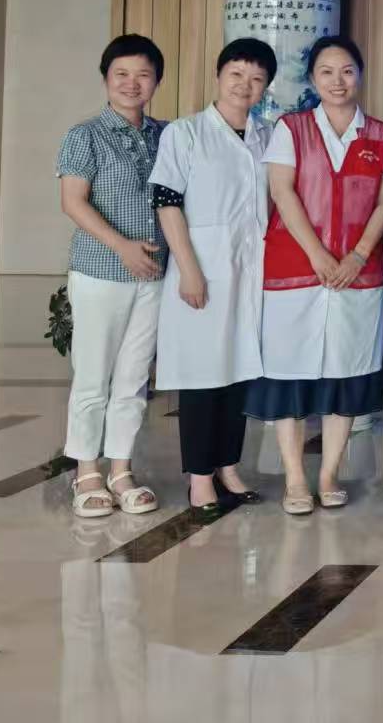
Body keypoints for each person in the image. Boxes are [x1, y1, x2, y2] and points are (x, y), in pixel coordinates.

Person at [247, 35, 383, 515]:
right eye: (327, 71)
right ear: (313, 78)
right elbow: (282, 192)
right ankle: (295, 477)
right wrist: (317, 255)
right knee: (289, 374)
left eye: (347, 71)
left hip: (357, 274)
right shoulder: (291, 129)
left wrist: (357, 256)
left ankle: (329, 473)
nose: (338, 81)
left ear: (360, 76)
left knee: (344, 374)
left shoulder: (382, 136)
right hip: (295, 271)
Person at [150, 38, 277, 515]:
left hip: (250, 271)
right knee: (203, 375)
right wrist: (189, 269)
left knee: (239, 371)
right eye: (237, 74)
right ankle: (200, 477)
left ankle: (228, 466)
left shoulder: (267, 135)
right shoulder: (185, 133)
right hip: (201, 268)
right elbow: (167, 202)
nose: (245, 85)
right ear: (219, 76)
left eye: (257, 79)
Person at [56, 34, 169, 519]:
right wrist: (122, 246)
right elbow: (73, 201)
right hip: (102, 271)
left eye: (143, 74)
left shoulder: (167, 135)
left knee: (134, 378)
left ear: (157, 81)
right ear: (106, 78)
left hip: (155, 276)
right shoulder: (85, 135)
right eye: (121, 73)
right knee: (93, 375)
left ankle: (121, 469)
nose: (132, 83)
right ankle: (87, 471)